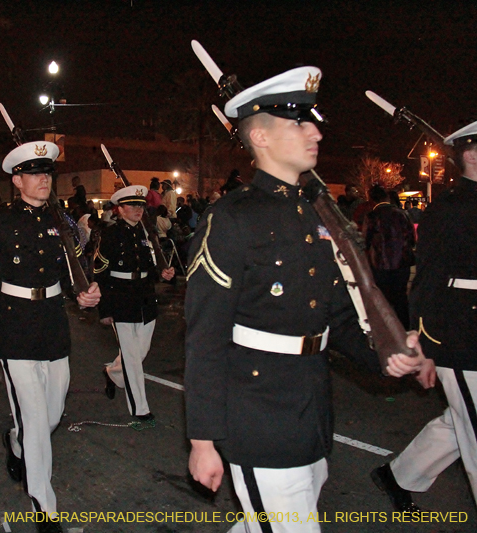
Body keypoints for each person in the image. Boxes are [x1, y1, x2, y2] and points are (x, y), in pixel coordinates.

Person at [184, 64, 430, 533]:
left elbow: (335, 314)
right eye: (299, 122)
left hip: (310, 406)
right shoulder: (231, 219)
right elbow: (205, 337)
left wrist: (387, 355)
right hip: (256, 414)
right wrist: (202, 439)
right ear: (259, 137)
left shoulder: (316, 215)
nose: (316, 130)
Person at [0, 141, 100, 533]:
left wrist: (85, 293)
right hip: (15, 328)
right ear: (17, 180)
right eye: (35, 173)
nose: (44, 179)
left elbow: (72, 272)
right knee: (37, 421)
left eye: (48, 173)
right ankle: (44, 504)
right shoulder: (0, 222)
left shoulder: (62, 222)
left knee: (52, 414)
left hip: (54, 326)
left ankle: (15, 439)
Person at [371, 120, 477, 512]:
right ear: (471, 155)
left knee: (463, 419)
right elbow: (428, 280)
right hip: (462, 334)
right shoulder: (448, 208)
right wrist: (425, 346)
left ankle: (399, 474)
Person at [95, 185, 174, 420]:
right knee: (131, 357)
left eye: (141, 205)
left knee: (141, 351)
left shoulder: (146, 233)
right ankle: (140, 408)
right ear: (120, 209)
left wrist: (163, 273)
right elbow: (100, 273)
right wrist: (105, 308)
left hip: (145, 296)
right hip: (120, 298)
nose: (138, 210)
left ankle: (112, 374)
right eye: (132, 205)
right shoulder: (110, 234)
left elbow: (149, 265)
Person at [363, 185, 416, 328]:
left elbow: (365, 241)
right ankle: (405, 328)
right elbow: (411, 238)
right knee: (401, 297)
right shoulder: (402, 214)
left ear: (372, 199)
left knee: (383, 299)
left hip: (380, 263)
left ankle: (387, 330)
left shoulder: (372, 216)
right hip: (401, 262)